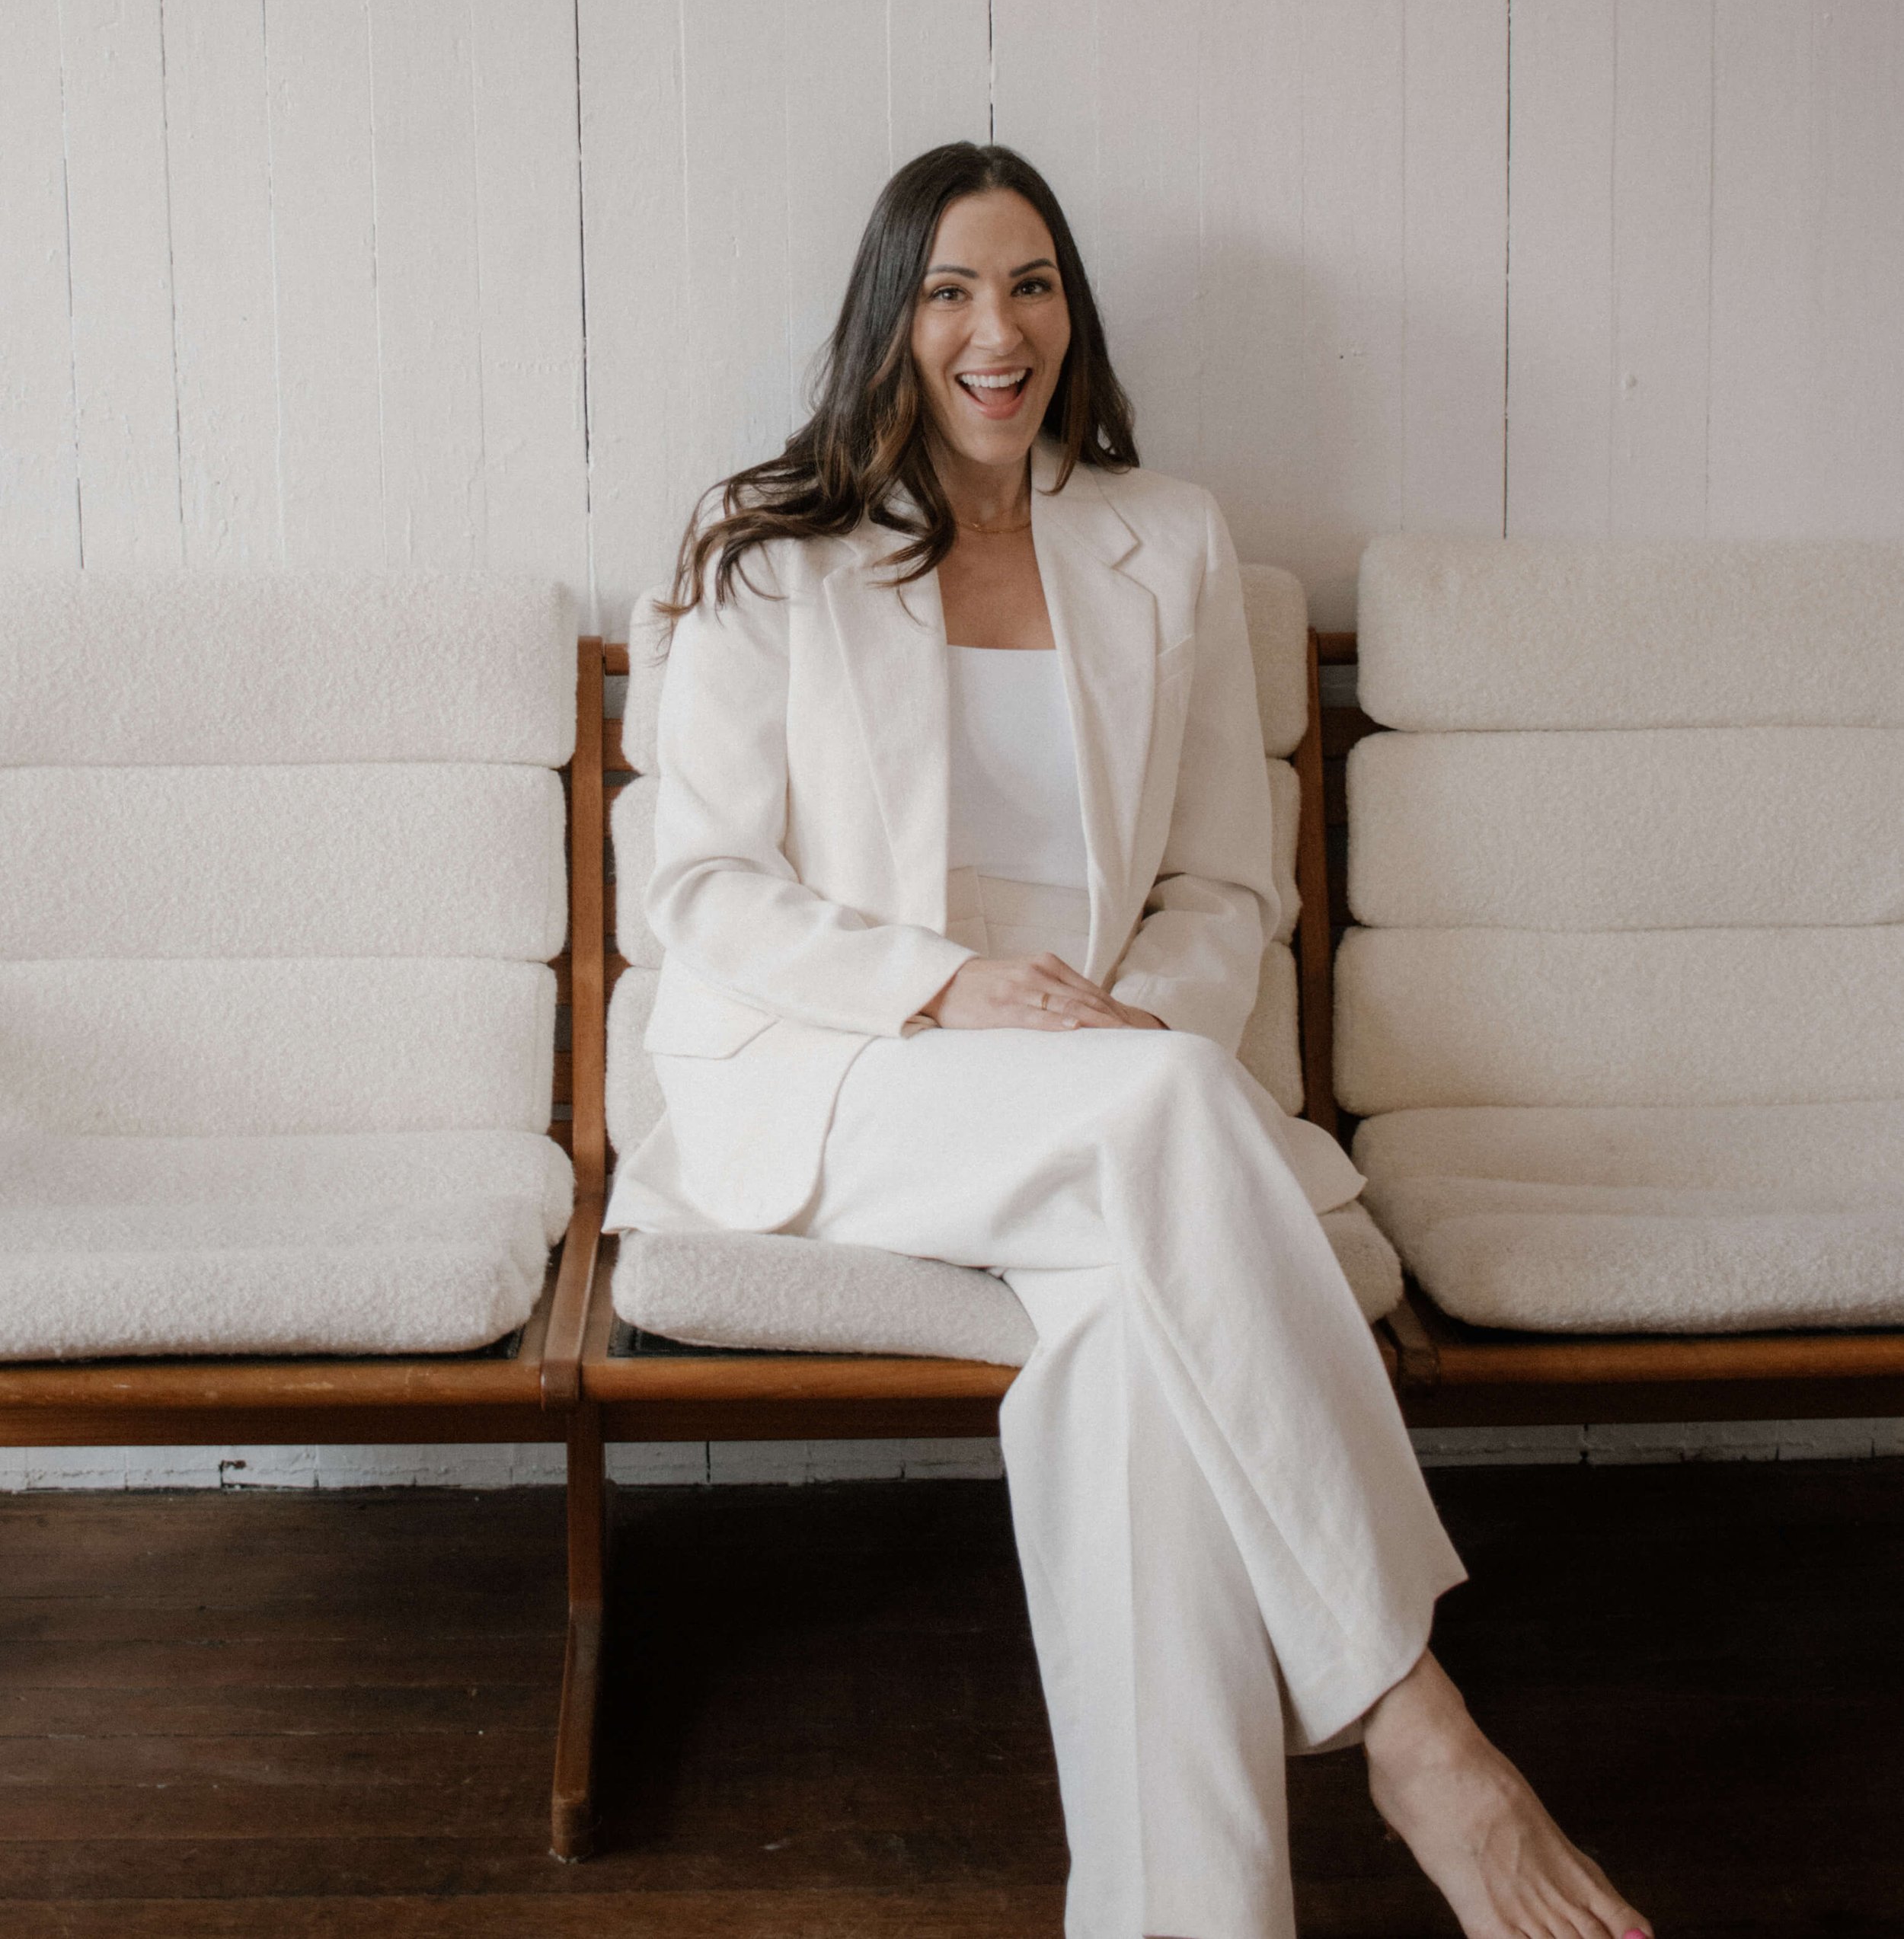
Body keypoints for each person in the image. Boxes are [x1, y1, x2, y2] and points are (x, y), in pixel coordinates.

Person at [605, 139, 1652, 1939]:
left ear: (1069, 314)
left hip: (1105, 1083)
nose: (993, 331)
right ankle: (1417, 1726)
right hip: (843, 1071)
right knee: (1155, 1118)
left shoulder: (1161, 541)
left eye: (1028, 286)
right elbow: (699, 891)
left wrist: (1115, 1024)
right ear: (889, 318)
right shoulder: (772, 553)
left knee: (1129, 1363)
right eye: (948, 290)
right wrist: (947, 989)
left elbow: (1220, 888)